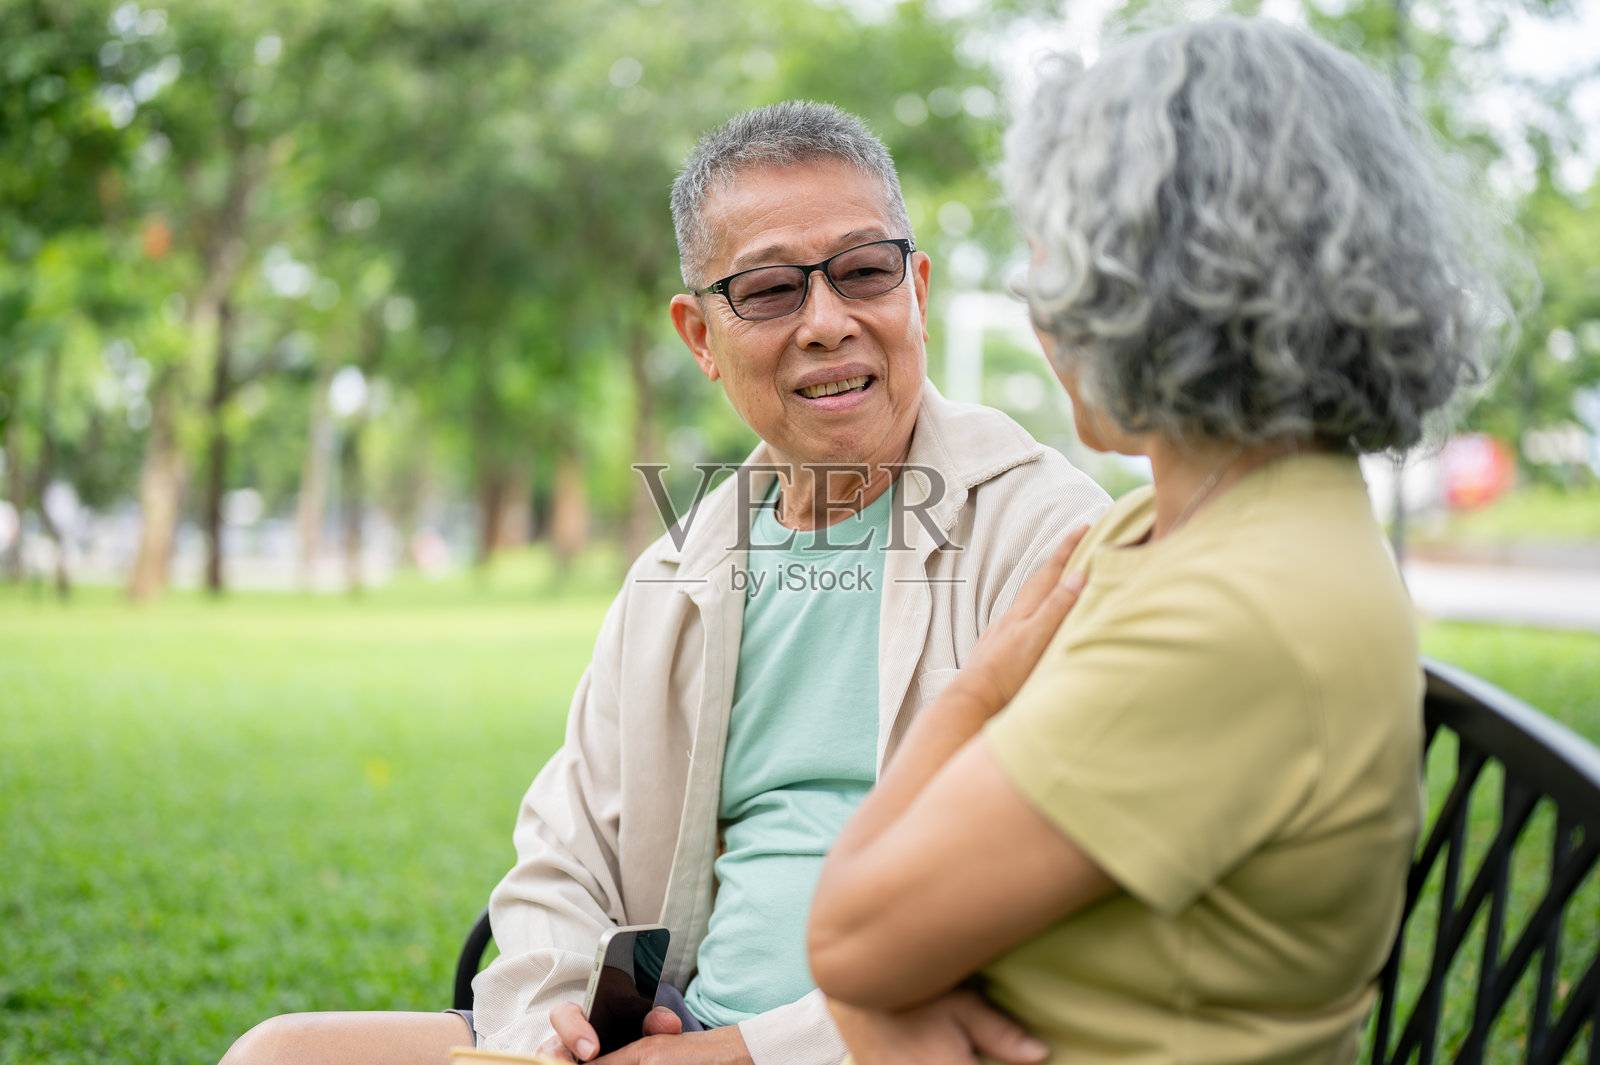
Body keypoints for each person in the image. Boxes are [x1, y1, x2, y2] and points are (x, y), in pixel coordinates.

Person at [218, 101, 1108, 1065]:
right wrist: (554, 1027)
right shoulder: (677, 573)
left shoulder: (1040, 534)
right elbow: (564, 858)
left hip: (884, 1045)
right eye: (769, 290)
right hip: (671, 1030)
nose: (827, 322)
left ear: (917, 291)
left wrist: (741, 1053)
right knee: (281, 1052)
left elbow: (1051, 899)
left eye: (863, 272)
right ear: (699, 336)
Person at [808, 18, 1509, 1065]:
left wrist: (981, 684)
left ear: (1145, 280)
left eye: (1050, 245)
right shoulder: (1185, 524)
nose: (1032, 293)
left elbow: (848, 939)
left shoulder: (1235, 612)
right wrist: (883, 1004)